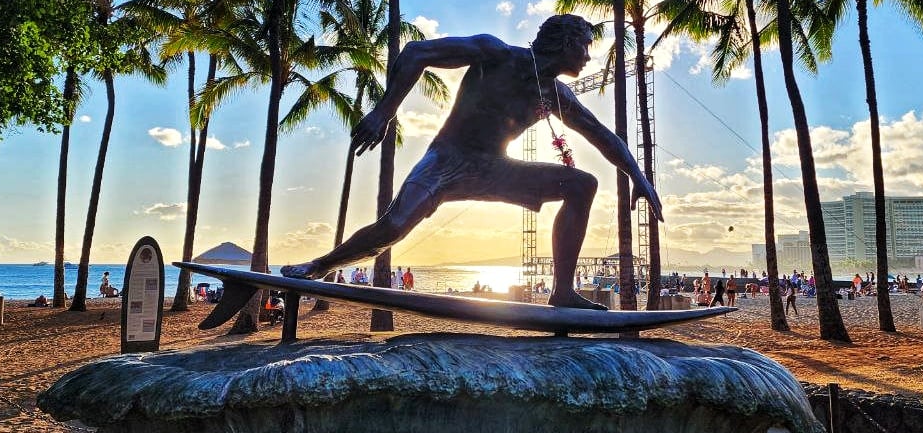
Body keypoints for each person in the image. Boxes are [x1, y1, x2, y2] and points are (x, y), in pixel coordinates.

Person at [277, 15, 663, 310]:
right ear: (564, 43)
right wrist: (384, 112)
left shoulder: (558, 95)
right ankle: (320, 265)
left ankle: (562, 292)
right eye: (586, 45)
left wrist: (640, 179)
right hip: (447, 159)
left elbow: (604, 137)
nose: (589, 55)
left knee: (582, 184)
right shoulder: (495, 55)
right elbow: (417, 53)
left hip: (495, 168)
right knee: (392, 226)